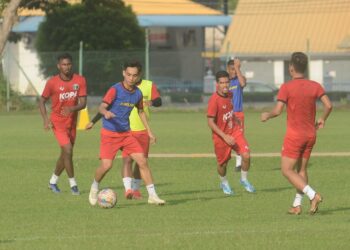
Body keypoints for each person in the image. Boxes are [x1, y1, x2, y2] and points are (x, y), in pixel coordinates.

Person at [261, 52, 332, 215]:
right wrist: (322, 119)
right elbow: (329, 105)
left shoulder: (286, 87)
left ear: (291, 68)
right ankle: (297, 205)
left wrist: (267, 115)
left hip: (295, 136)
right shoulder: (315, 85)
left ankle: (313, 195)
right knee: (301, 170)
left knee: (286, 170)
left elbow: (278, 111)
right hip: (310, 135)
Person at [88, 61, 165, 206]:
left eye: (134, 75)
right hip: (110, 134)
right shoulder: (115, 90)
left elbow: (141, 111)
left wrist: (149, 132)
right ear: (124, 73)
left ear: (138, 76)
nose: (131, 78)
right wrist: (106, 112)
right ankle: (94, 187)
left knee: (142, 161)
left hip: (126, 135)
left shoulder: (137, 93)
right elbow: (101, 106)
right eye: (128, 74)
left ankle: (152, 196)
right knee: (106, 166)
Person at [39, 53, 87, 195]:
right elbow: (42, 100)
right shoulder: (52, 82)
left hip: (72, 123)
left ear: (72, 65)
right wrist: (46, 119)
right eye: (64, 65)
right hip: (58, 123)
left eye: (69, 64)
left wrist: (72, 108)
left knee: (65, 154)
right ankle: (73, 185)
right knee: (68, 151)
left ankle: (53, 182)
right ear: (59, 66)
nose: (67, 67)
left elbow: (83, 103)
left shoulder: (80, 80)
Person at [207, 70, 255, 195]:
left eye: (227, 82)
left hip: (234, 131)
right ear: (217, 84)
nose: (225, 85)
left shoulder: (230, 95)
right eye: (222, 83)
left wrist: (235, 119)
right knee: (222, 164)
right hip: (221, 136)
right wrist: (224, 136)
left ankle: (244, 180)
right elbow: (210, 122)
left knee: (246, 155)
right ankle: (223, 182)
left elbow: (229, 111)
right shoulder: (214, 100)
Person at [227, 58, 247, 172]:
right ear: (228, 69)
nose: (234, 72)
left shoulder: (239, 79)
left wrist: (238, 68)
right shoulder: (225, 82)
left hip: (238, 114)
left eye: (235, 69)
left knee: (238, 137)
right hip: (227, 115)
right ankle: (226, 158)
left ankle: (239, 163)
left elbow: (243, 83)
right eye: (232, 69)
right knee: (227, 138)